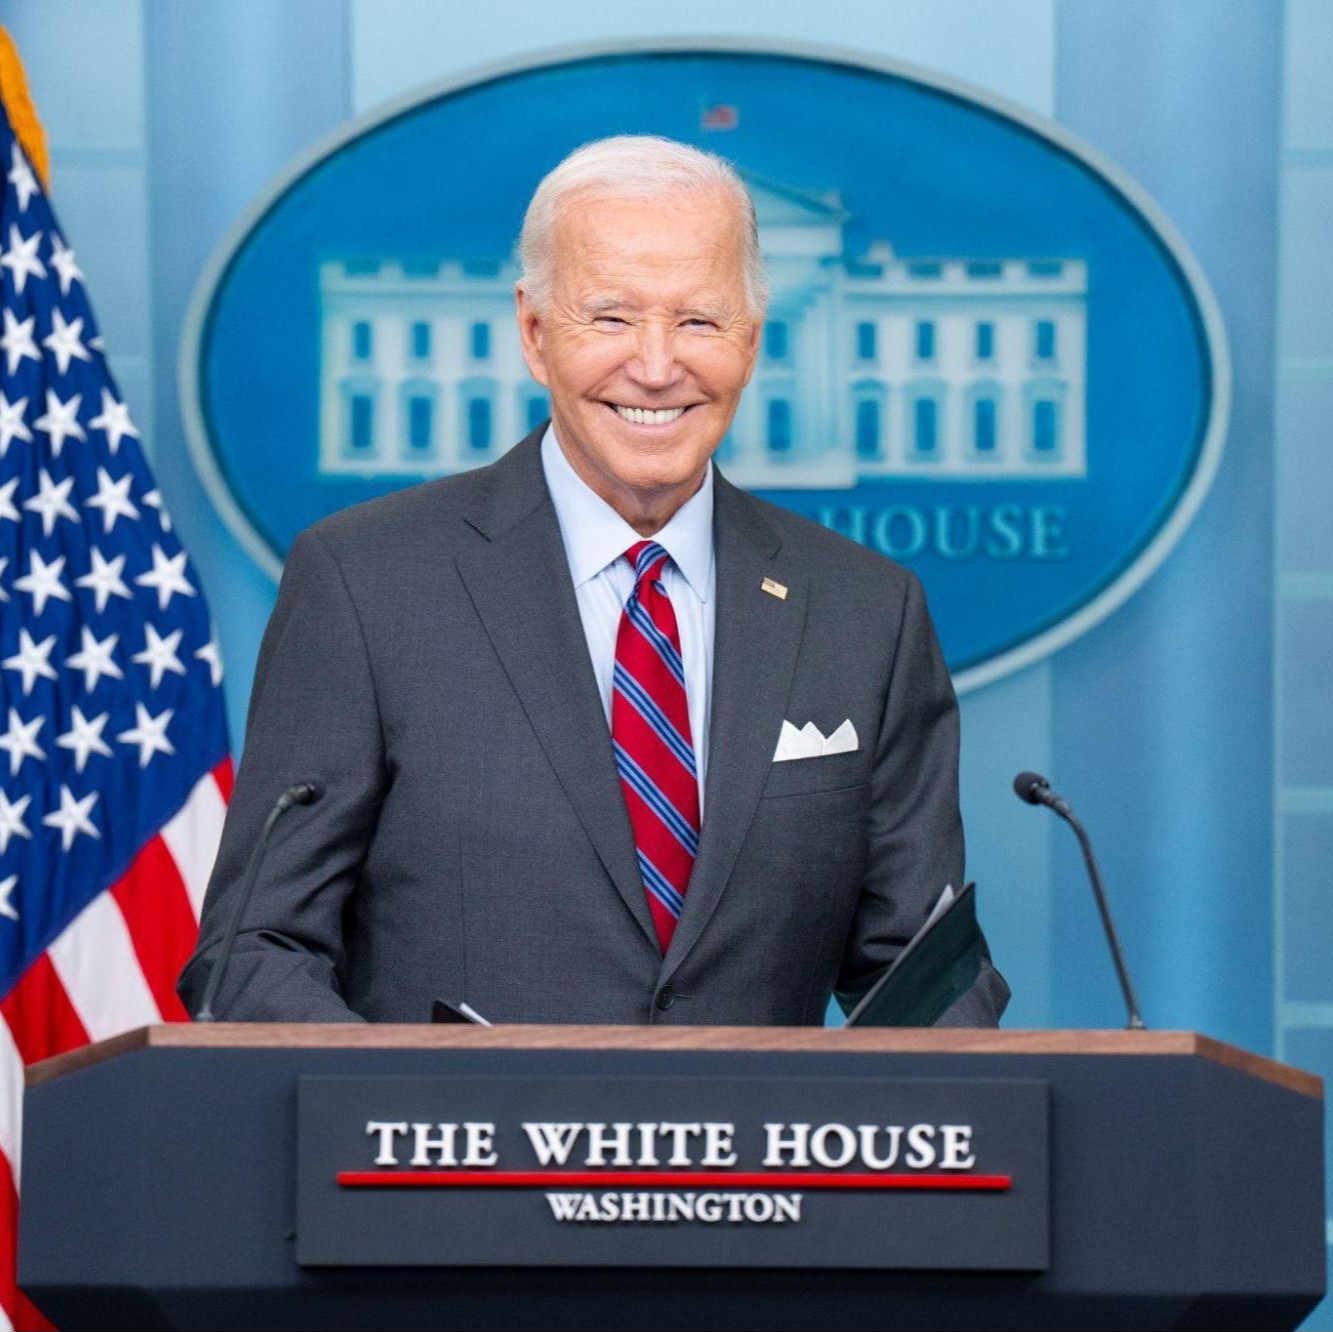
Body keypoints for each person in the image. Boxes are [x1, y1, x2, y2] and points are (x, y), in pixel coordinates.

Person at [177, 135, 1009, 1027]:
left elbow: (922, 972)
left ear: (752, 340)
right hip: (449, 1125)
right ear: (535, 334)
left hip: (759, 1127)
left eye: (699, 321)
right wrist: (402, 1098)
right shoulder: (365, 585)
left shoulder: (865, 613)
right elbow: (255, 950)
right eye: (610, 318)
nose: (655, 366)